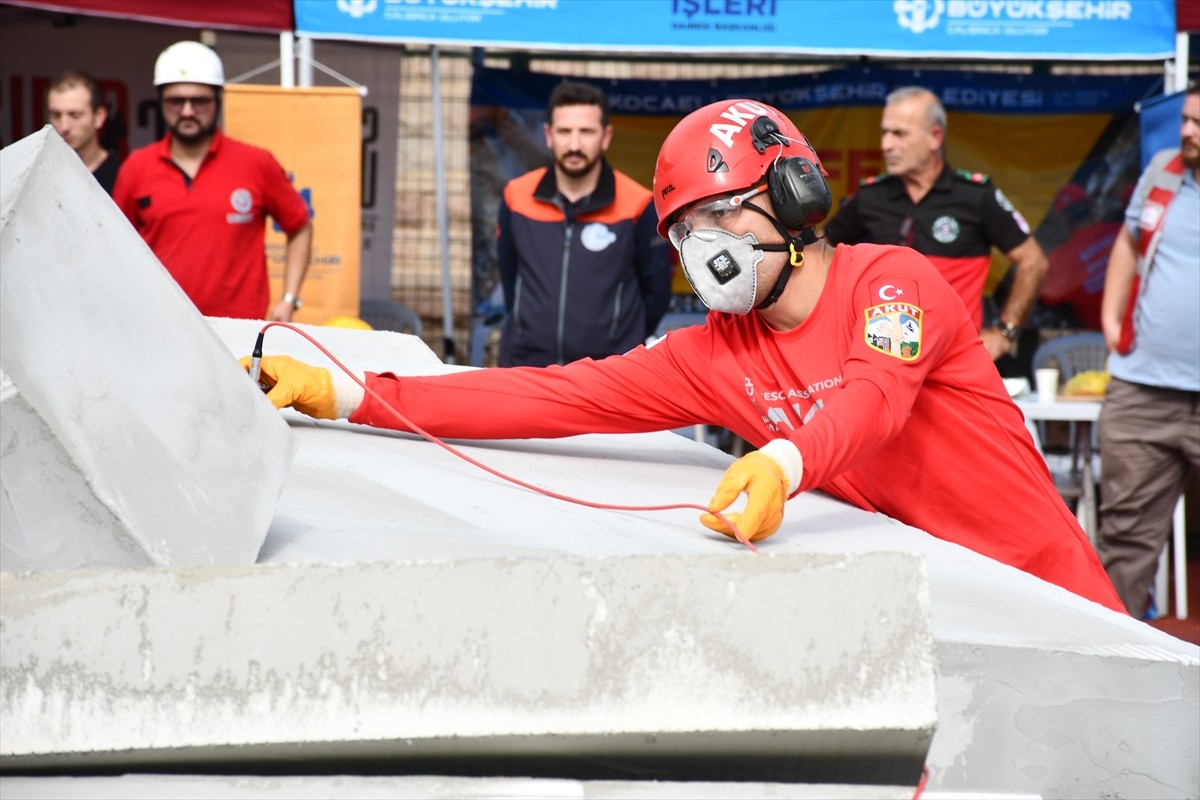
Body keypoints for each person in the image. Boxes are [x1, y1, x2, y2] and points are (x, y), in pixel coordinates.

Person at [245, 99, 1124, 614]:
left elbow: (874, 398)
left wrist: (783, 460)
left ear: (794, 194)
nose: (703, 255)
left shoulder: (892, 282)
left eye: (719, 220)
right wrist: (356, 394)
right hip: (938, 603)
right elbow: (548, 397)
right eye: (684, 236)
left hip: (1053, 596)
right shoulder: (712, 354)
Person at [824, 86, 1049, 363]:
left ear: (935, 137)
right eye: (884, 133)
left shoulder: (976, 195)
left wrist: (1005, 332)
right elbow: (821, 253)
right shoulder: (871, 196)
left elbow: (1033, 261)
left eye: (899, 134)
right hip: (886, 359)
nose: (886, 145)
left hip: (956, 360)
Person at [112, 41, 313, 322]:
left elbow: (300, 227)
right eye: (176, 101)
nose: (187, 111)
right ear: (161, 102)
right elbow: (115, 249)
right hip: (160, 327)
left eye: (199, 101)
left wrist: (289, 300)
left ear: (218, 100)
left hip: (240, 333)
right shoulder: (136, 168)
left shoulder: (256, 163)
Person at [1097, 84, 1200, 619]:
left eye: (1199, 124)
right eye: (1186, 119)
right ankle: (1113, 672)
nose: (1187, 132)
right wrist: (1112, 316)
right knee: (1124, 541)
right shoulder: (1164, 168)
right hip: (1143, 390)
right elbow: (1129, 240)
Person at [495, 80, 671, 367]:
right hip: (525, 369)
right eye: (565, 132)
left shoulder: (638, 205)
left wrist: (617, 343)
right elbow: (510, 278)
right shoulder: (516, 197)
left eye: (586, 132)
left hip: (608, 377)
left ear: (605, 137)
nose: (574, 144)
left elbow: (656, 294)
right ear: (549, 135)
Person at [46, 70, 121, 195]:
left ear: (98, 117)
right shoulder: (40, 175)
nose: (64, 127)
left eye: (75, 115)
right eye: (56, 115)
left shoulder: (121, 176)